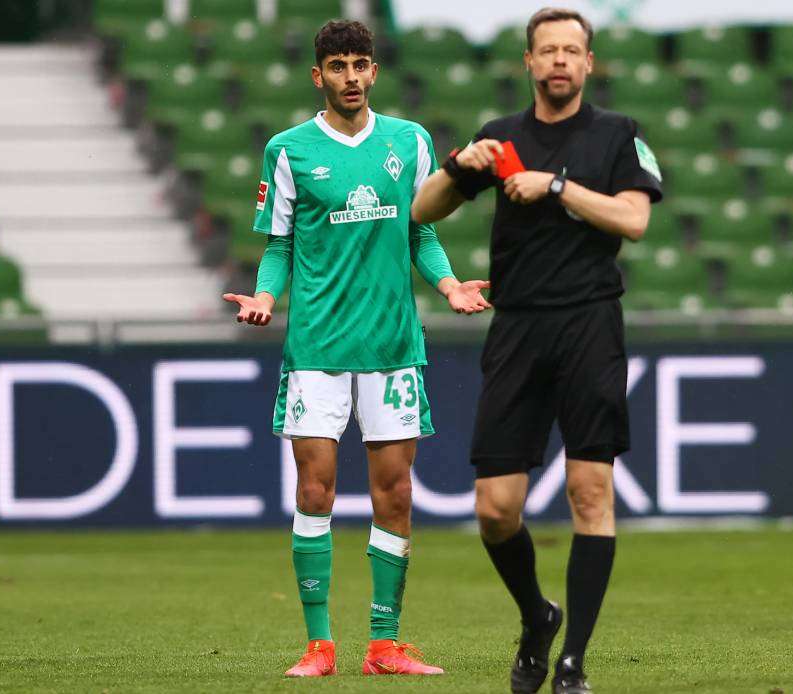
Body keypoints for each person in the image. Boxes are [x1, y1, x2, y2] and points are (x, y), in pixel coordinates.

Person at [222, 19, 490, 679]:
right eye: (337, 65)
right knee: (315, 491)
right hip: (316, 347)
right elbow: (279, 245)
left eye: (360, 64)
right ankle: (319, 646)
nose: (350, 76)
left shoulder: (409, 141)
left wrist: (450, 284)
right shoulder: (288, 149)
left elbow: (420, 230)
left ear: (374, 71)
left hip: (395, 346)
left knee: (394, 493)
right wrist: (265, 297)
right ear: (318, 75)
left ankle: (384, 644)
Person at [411, 7, 663, 693]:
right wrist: (459, 164)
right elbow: (422, 210)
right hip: (517, 326)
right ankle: (537, 616)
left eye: (570, 50)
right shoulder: (499, 137)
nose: (558, 60)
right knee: (494, 508)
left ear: (588, 62)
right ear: (528, 62)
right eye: (546, 50)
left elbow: (635, 220)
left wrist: (558, 187)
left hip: (589, 322)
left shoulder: (617, 135)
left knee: (591, 491)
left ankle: (574, 661)